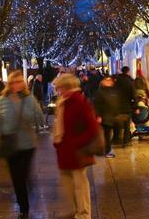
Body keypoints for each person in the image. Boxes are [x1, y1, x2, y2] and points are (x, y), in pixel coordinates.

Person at [0, 71, 43, 219]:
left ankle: (28, 189)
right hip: (10, 144)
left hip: (28, 144)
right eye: (13, 82)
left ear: (23, 83)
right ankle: (24, 209)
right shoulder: (2, 100)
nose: (16, 85)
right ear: (9, 84)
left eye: (19, 81)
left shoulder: (29, 99)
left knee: (25, 174)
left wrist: (36, 117)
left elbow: (39, 117)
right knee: (17, 178)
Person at [53, 73, 97, 219]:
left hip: (77, 151)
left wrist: (76, 143)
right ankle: (76, 210)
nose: (58, 91)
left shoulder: (78, 101)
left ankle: (83, 214)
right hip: (65, 150)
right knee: (68, 184)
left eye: (59, 88)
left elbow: (93, 128)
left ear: (67, 87)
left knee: (80, 185)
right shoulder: (63, 102)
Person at [93, 76, 121, 158]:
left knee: (112, 134)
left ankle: (106, 149)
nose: (109, 82)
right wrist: (98, 115)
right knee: (106, 135)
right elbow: (96, 104)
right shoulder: (100, 92)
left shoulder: (113, 91)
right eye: (107, 80)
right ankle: (107, 151)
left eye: (110, 80)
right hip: (105, 116)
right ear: (103, 82)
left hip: (113, 116)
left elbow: (116, 102)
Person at [114, 66, 135, 145]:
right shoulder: (129, 81)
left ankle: (117, 138)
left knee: (117, 123)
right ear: (128, 72)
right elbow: (134, 94)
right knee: (126, 125)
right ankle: (126, 141)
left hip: (117, 106)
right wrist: (135, 105)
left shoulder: (116, 81)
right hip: (127, 106)